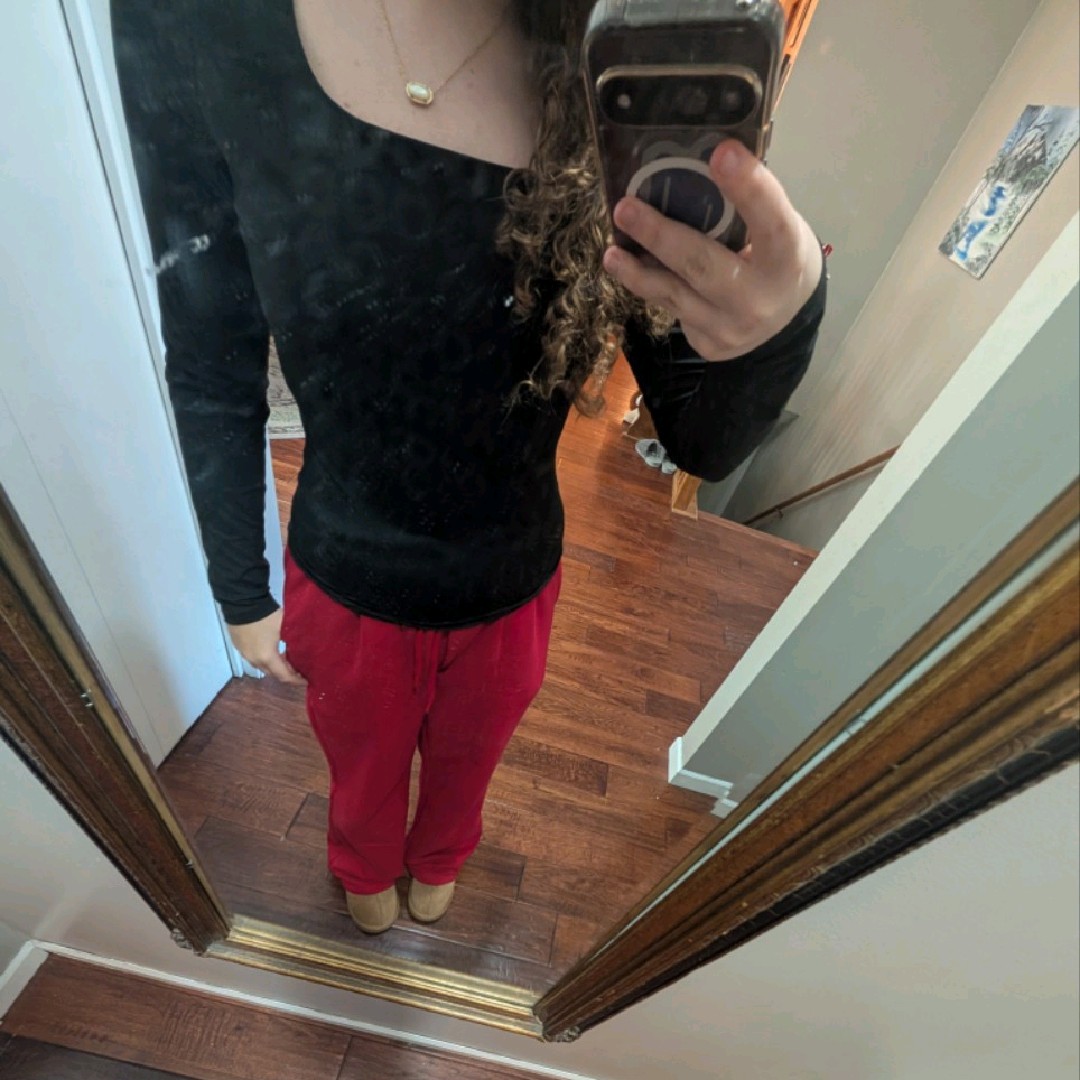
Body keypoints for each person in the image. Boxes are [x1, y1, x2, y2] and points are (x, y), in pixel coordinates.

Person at [112, 0, 826, 934]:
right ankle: (364, 862)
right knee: (360, 767)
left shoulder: (608, 55)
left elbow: (702, 440)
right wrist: (239, 584)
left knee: (469, 764)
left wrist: (785, 311)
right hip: (347, 572)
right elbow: (211, 349)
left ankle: (441, 854)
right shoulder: (196, 19)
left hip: (511, 582)